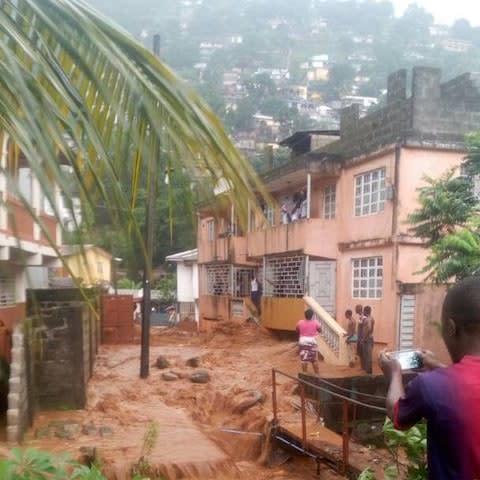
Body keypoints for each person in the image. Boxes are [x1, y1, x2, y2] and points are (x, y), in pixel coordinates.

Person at [379, 276, 480, 479]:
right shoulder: (441, 382)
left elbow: (397, 415)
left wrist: (395, 372)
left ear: (451, 328)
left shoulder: (430, 385)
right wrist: (440, 366)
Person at [296, 309, 322, 374]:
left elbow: (297, 330)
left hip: (303, 342)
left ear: (305, 315)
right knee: (314, 360)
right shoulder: (315, 322)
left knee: (304, 360)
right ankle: (317, 375)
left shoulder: (300, 322)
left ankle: (305, 375)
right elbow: (320, 330)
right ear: (312, 316)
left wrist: (302, 332)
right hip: (312, 342)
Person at [362, 305, 375, 374]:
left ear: (366, 311)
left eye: (364, 310)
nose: (363, 312)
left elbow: (369, 328)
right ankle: (368, 371)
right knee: (367, 355)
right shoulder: (370, 318)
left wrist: (365, 337)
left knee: (368, 356)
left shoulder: (369, 319)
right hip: (369, 338)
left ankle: (369, 372)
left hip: (368, 339)